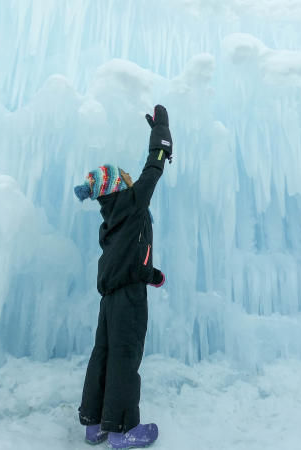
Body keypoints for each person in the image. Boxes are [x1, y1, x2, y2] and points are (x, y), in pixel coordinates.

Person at [74, 105, 172, 448]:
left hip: (111, 297)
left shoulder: (110, 222)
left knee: (104, 352)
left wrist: (152, 275)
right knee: (125, 357)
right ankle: (122, 430)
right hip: (128, 298)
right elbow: (154, 166)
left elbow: (130, 260)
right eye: (126, 178)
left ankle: (94, 424)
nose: (133, 181)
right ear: (119, 186)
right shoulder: (131, 204)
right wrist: (161, 132)